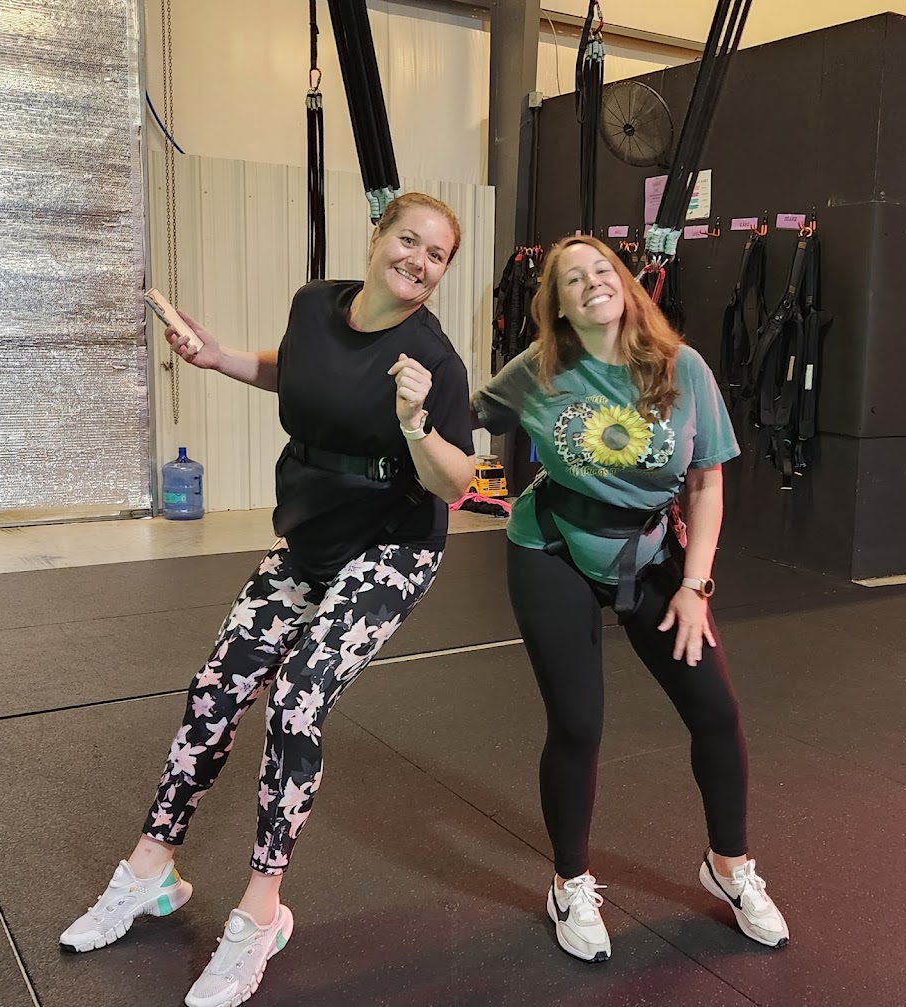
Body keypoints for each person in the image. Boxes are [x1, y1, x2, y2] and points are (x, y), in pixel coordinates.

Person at [60, 192, 476, 1006]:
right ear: (377, 236)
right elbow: (300, 375)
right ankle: (151, 868)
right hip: (310, 540)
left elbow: (457, 484)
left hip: (392, 549)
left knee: (295, 701)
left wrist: (414, 421)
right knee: (215, 689)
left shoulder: (435, 361)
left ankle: (261, 909)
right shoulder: (313, 306)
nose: (420, 261)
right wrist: (220, 358)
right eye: (410, 240)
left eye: (438, 255)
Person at [471, 234, 789, 963]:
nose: (591, 282)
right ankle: (569, 882)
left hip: (653, 556)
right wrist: (402, 407)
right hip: (551, 547)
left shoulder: (683, 367)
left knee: (716, 711)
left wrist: (695, 587)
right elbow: (458, 418)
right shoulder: (537, 370)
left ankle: (729, 866)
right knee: (578, 724)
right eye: (571, 278)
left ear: (626, 282)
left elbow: (706, 482)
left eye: (602, 269)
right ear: (555, 304)